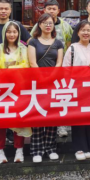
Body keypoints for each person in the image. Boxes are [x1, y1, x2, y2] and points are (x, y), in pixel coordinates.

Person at [0, 21, 30, 164]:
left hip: (19, 90)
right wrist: (14, 70)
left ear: (19, 33)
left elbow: (27, 67)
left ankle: (19, 149)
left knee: (19, 120)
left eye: (14, 32)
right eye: (9, 32)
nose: (12, 34)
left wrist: (8, 70)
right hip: (2, 90)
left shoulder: (23, 49)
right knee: (0, 121)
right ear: (4, 33)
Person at [27, 13, 64, 162]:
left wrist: (51, 77)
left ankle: (50, 148)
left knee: (51, 115)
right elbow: (32, 63)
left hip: (53, 83)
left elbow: (59, 63)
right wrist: (42, 79)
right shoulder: (33, 41)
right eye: (45, 23)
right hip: (37, 83)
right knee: (38, 115)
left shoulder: (58, 42)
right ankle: (37, 149)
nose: (48, 25)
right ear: (39, 25)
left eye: (50, 23)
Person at [63, 20, 90, 160]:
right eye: (83, 30)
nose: (86, 33)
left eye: (88, 30)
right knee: (78, 118)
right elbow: (66, 69)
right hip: (77, 88)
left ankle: (89, 147)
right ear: (77, 32)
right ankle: (79, 148)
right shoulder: (72, 48)